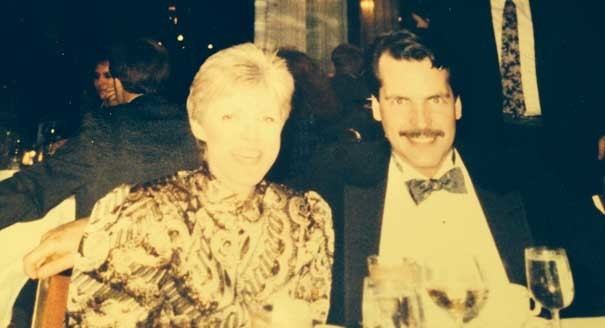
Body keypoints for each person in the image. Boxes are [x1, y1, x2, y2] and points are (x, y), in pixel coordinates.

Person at [307, 30, 605, 327]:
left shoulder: (527, 180)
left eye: (435, 99)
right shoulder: (333, 188)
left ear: (457, 106)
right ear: (376, 108)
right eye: (400, 101)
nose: (421, 122)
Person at [63, 43, 333, 326]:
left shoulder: (307, 217)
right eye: (230, 117)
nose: (251, 137)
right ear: (198, 123)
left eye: (267, 118)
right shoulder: (143, 215)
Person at [0, 38, 202, 229]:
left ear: (118, 78)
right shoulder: (193, 123)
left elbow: (34, 189)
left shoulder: (105, 128)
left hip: (118, 259)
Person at [429, 0, 604, 197]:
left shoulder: (568, 7)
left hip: (563, 138)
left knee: (569, 218)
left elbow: (595, 67)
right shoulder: (458, 11)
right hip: (491, 143)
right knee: (504, 222)